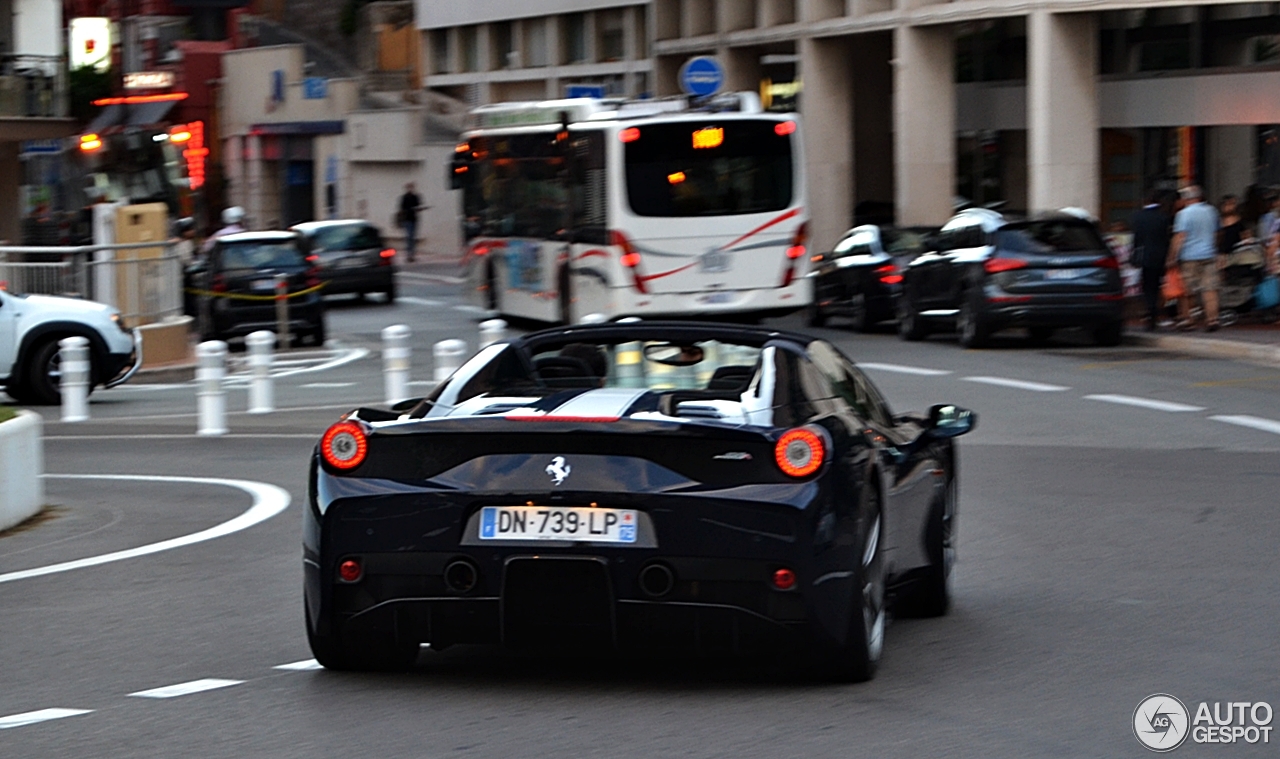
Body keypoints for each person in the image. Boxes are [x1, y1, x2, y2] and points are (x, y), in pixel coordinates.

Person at [1167, 185, 1222, 332]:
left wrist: (1172, 257)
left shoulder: (1183, 214)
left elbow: (1180, 237)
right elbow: (1217, 234)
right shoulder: (1212, 211)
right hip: (1208, 254)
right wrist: (1213, 248)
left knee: (1186, 291)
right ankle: (1212, 319)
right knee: (1210, 289)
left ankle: (1187, 319)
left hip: (1189, 257)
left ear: (1187, 199)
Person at [1130, 189, 1172, 331]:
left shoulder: (1138, 217)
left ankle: (1149, 312)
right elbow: (1167, 239)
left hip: (1145, 256)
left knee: (1147, 286)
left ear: (1145, 201)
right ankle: (1155, 312)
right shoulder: (1163, 217)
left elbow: (1136, 239)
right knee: (1157, 286)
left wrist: (1134, 255)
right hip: (1160, 256)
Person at [397, 183, 422, 263]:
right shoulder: (405, 197)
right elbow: (401, 208)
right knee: (409, 236)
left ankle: (411, 254)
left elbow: (418, 206)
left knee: (412, 237)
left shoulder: (415, 197)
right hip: (407, 219)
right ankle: (409, 254)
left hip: (413, 219)